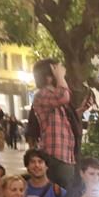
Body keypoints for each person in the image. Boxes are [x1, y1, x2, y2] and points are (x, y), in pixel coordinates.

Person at [31, 59, 77, 188]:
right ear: (49, 77)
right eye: (57, 69)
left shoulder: (52, 96)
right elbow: (64, 96)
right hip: (55, 154)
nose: (62, 72)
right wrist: (60, 77)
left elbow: (62, 120)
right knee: (63, 194)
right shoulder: (42, 94)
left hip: (64, 153)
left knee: (66, 193)